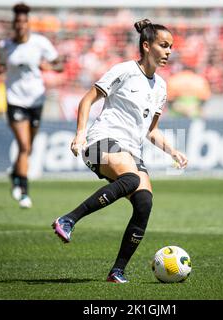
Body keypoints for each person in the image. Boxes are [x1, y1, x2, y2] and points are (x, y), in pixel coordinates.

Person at [52, 19, 188, 283]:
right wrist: (80, 134)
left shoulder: (160, 87)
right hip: (99, 141)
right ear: (146, 46)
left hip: (129, 150)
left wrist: (172, 151)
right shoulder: (124, 70)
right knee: (132, 179)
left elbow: (151, 130)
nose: (169, 51)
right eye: (163, 45)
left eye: (171, 46)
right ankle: (68, 220)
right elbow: (87, 99)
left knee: (144, 203)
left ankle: (117, 271)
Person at [0, 3, 62, 208]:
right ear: (14, 24)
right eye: (18, 22)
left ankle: (16, 173)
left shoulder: (40, 43)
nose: (21, 25)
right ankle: (23, 191)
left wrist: (49, 66)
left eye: (24, 22)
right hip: (15, 100)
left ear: (28, 23)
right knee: (24, 145)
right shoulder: (5, 45)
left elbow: (59, 64)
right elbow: (1, 65)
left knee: (28, 147)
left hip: (36, 100)